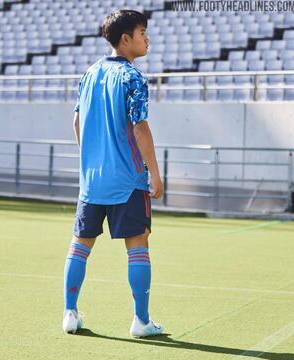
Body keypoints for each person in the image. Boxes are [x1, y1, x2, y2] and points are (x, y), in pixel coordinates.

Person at [62, 9, 164, 338]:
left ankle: (70, 313)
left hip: (91, 181)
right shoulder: (133, 77)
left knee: (80, 246)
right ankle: (141, 321)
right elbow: (140, 128)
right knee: (138, 245)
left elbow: (76, 121)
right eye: (143, 32)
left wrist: (91, 157)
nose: (147, 39)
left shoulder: (89, 73)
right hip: (128, 179)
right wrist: (155, 173)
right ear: (125, 39)